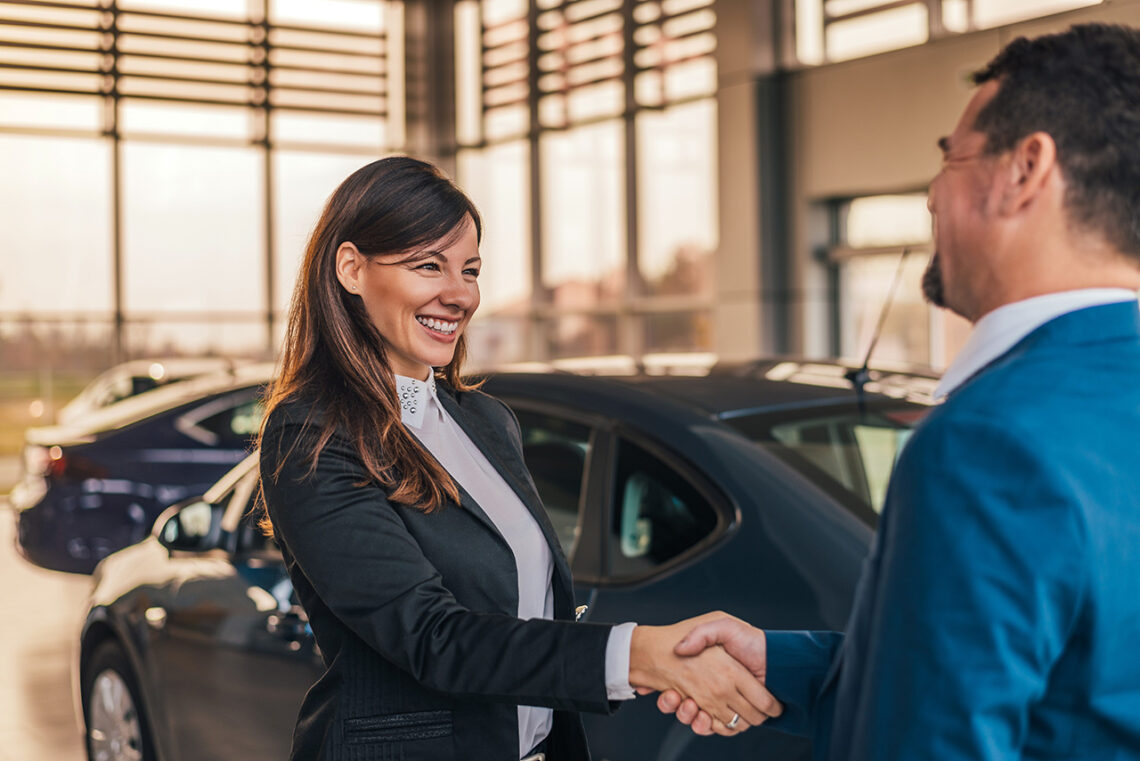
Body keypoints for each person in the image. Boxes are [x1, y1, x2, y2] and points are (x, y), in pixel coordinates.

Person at [655, 22, 1140, 759]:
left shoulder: (990, 440)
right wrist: (789, 663)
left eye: (950, 158)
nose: (931, 197)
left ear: (1026, 170)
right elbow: (1076, 684)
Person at [256, 156, 781, 761]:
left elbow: (526, 614)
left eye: (470, 271)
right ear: (350, 268)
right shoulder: (312, 434)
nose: (458, 295)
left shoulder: (485, 421)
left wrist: (662, 666)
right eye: (429, 266)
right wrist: (640, 657)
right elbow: (433, 638)